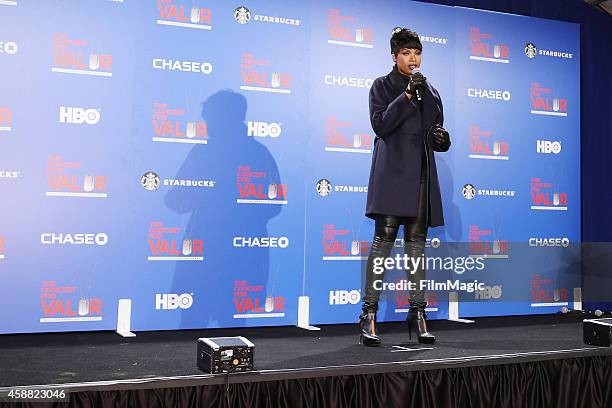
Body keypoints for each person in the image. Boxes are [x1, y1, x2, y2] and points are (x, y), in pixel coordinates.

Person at [359, 28, 451, 346]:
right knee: (382, 245)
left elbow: (435, 131)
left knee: (416, 247)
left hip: (422, 177)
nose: (413, 58)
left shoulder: (433, 92)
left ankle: (418, 311)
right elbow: (381, 125)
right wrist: (407, 95)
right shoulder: (382, 87)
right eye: (406, 53)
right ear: (394, 56)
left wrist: (442, 140)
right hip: (392, 174)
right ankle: (368, 314)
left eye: (417, 52)